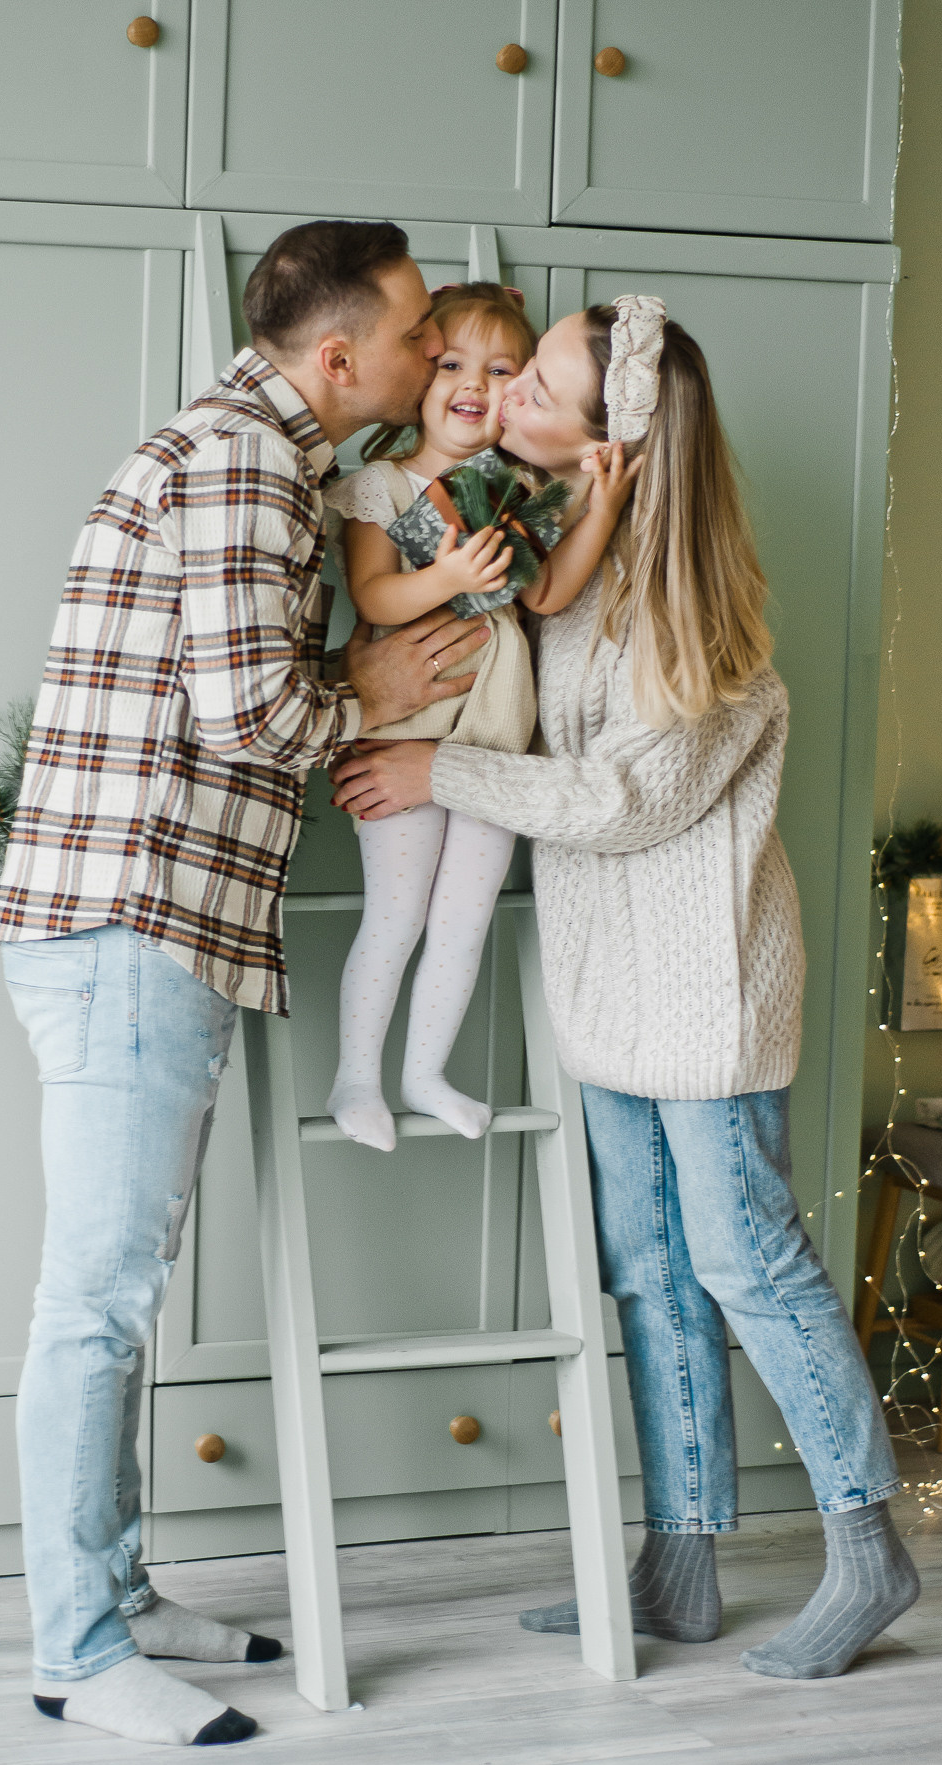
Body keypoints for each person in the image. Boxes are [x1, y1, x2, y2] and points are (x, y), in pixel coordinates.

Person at [330, 296, 920, 1680]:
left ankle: (868, 1547)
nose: (505, 396)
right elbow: (458, 644)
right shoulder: (564, 565)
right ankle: (680, 1560)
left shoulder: (699, 621)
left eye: (539, 383)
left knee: (747, 1266)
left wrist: (441, 775)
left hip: (706, 990)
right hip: (603, 985)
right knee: (650, 1274)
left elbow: (624, 796)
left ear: (622, 438)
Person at [0, 219, 493, 1748]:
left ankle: (120, 1599)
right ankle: (76, 1647)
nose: (426, 361)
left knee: (112, 1303)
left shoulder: (273, 462)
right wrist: (378, 691)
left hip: (149, 928)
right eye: (412, 335)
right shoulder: (242, 467)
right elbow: (254, 714)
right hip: (134, 926)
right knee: (96, 1306)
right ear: (338, 359)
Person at [323, 283, 639, 1151]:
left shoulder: (512, 485)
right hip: (411, 735)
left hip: (496, 742)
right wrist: (450, 580)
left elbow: (547, 591)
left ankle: (426, 1073)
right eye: (453, 364)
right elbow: (374, 595)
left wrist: (600, 507)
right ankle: (358, 1076)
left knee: (463, 923)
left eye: (503, 369)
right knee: (397, 918)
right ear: (422, 381)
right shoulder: (381, 486)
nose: (475, 381)